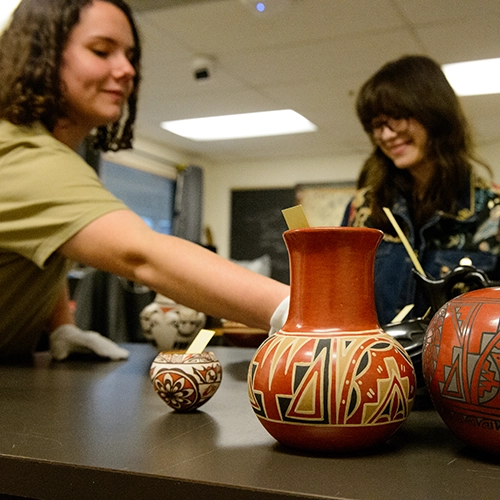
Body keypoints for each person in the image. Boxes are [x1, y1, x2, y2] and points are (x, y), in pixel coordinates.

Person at [0, 0, 289, 361]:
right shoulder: (17, 152)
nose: (126, 69)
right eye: (101, 51)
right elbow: (140, 254)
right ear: (40, 55)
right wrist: (297, 310)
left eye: (129, 56)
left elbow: (47, 242)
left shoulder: (38, 151)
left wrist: (61, 324)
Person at [342, 54, 500, 325]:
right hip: (377, 365)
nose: (386, 135)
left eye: (397, 118)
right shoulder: (363, 208)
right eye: (376, 125)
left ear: (434, 113)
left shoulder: (493, 213)